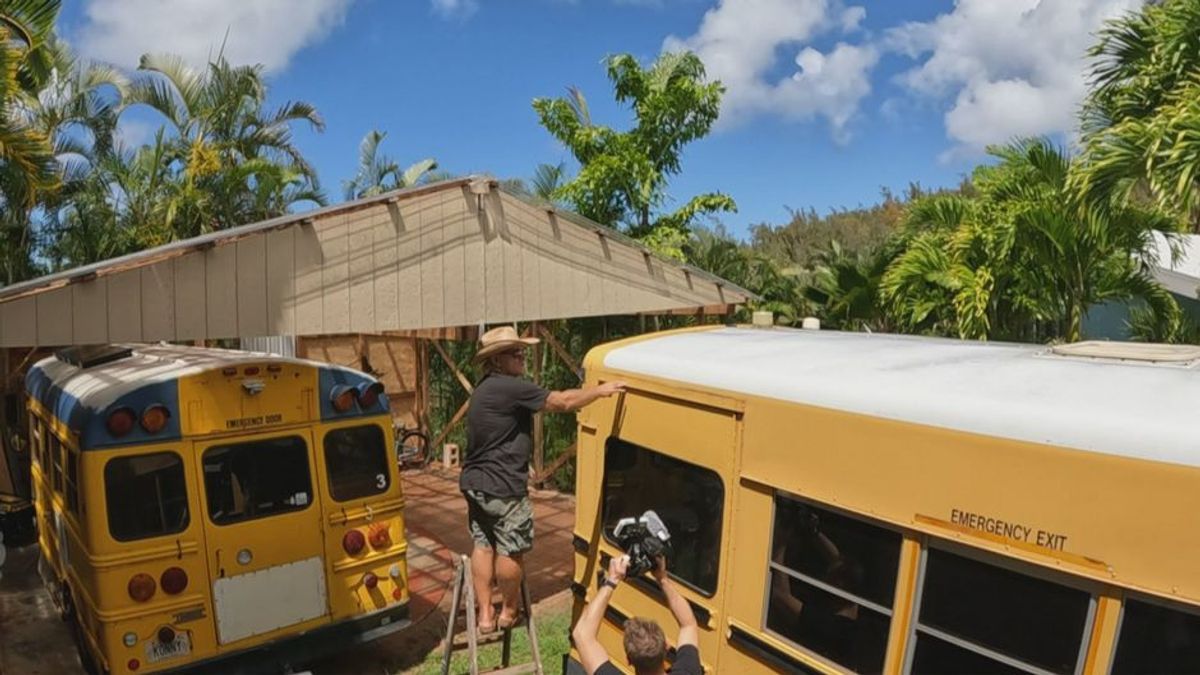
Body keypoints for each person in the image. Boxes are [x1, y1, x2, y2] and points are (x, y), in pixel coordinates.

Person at [461, 325, 625, 633]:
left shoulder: (484, 388)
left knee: (483, 546)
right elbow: (561, 401)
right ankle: (509, 612)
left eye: (523, 351)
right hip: (503, 486)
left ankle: (485, 616)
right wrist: (599, 391)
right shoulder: (510, 387)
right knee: (511, 550)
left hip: (475, 484)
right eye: (516, 353)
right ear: (497, 360)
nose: (522, 357)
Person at [573, 555, 702, 675]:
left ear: (628, 660)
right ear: (666, 647)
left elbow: (582, 635)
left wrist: (612, 580)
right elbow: (688, 624)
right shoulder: (688, 670)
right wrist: (662, 578)